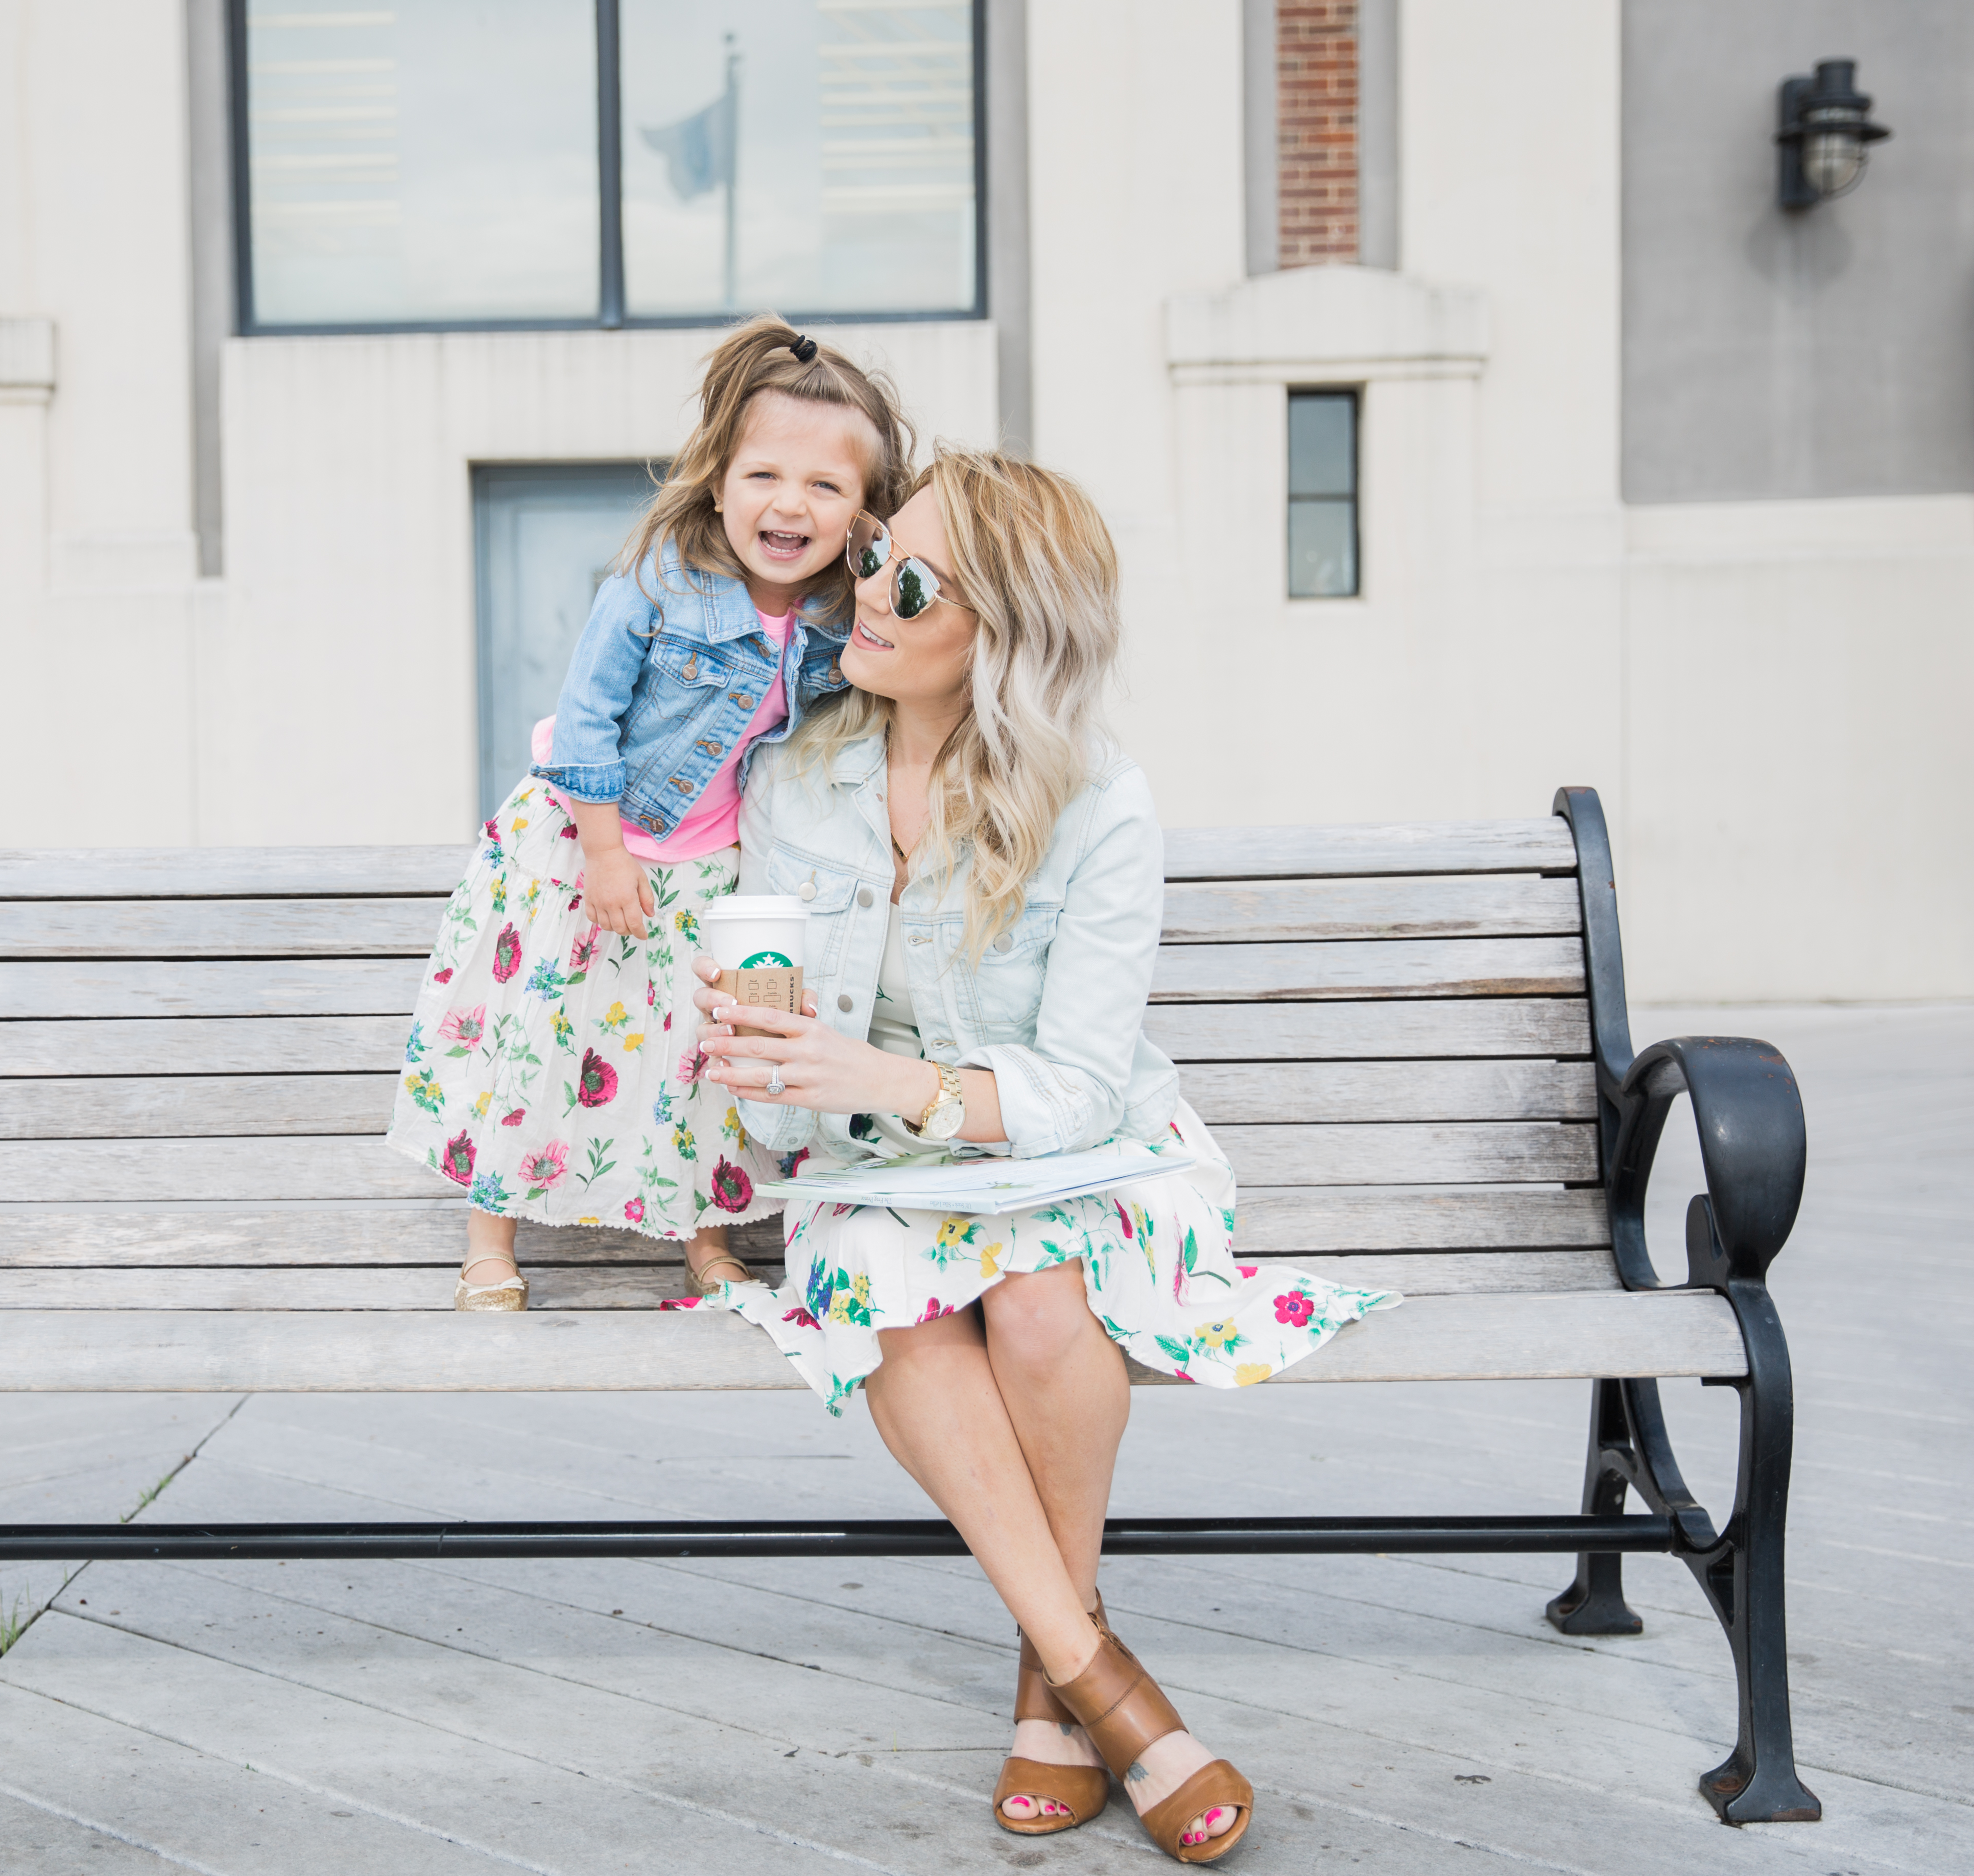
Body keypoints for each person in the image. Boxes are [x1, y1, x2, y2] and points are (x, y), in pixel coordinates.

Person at [685, 449, 1397, 1861]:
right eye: (873, 547)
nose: (864, 587)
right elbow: (784, 1081)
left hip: (1076, 1157)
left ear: (1000, 629)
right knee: (882, 1290)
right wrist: (760, 1063)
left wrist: (888, 1077)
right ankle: (1096, 1681)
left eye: (907, 575)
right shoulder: (797, 774)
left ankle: (1048, 1677)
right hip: (876, 1169)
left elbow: (1076, 1089)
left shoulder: (1098, 803)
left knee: (1031, 1296)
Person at [386, 318, 915, 1309]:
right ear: (717, 479)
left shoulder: (843, 619)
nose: (788, 504)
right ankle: (489, 1240)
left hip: (712, 871)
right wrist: (603, 853)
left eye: (824, 487)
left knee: (698, 1061)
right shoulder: (660, 582)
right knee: (540, 1035)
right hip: (589, 846)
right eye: (763, 474)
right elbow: (586, 723)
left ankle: (705, 1239)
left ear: (863, 514)